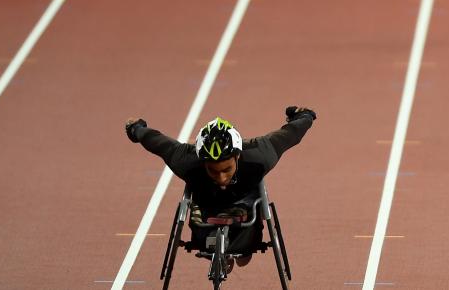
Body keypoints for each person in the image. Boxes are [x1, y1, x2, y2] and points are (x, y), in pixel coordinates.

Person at [124, 106, 315, 270]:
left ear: (238, 157)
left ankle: (236, 246)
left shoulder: (260, 155)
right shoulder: (186, 160)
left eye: (227, 169)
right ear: (202, 162)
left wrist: (304, 116)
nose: (221, 178)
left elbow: (290, 135)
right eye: (213, 171)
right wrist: (136, 129)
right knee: (204, 231)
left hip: (245, 204)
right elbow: (156, 141)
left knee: (243, 259)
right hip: (205, 207)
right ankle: (215, 248)